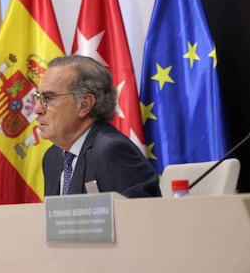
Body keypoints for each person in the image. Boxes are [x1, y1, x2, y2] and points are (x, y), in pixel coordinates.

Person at [33, 55, 161, 198]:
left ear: (84, 104)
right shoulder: (53, 157)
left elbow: (140, 217)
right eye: (38, 97)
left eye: (49, 98)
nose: (37, 109)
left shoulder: (113, 152)